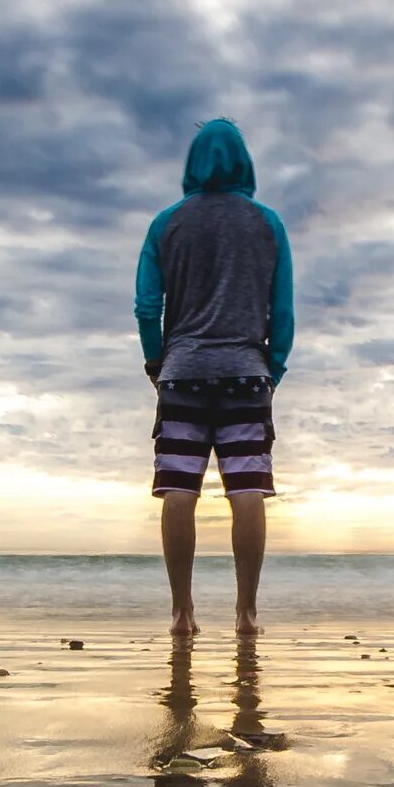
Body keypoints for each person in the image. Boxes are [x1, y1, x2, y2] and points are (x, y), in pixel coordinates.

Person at [134, 119, 294, 638]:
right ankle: (246, 614)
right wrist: (276, 365)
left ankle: (183, 613)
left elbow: (146, 306)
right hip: (247, 374)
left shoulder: (167, 224)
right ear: (244, 160)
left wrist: (157, 362)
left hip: (182, 374)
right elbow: (282, 309)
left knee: (178, 490)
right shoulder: (267, 223)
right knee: (247, 491)